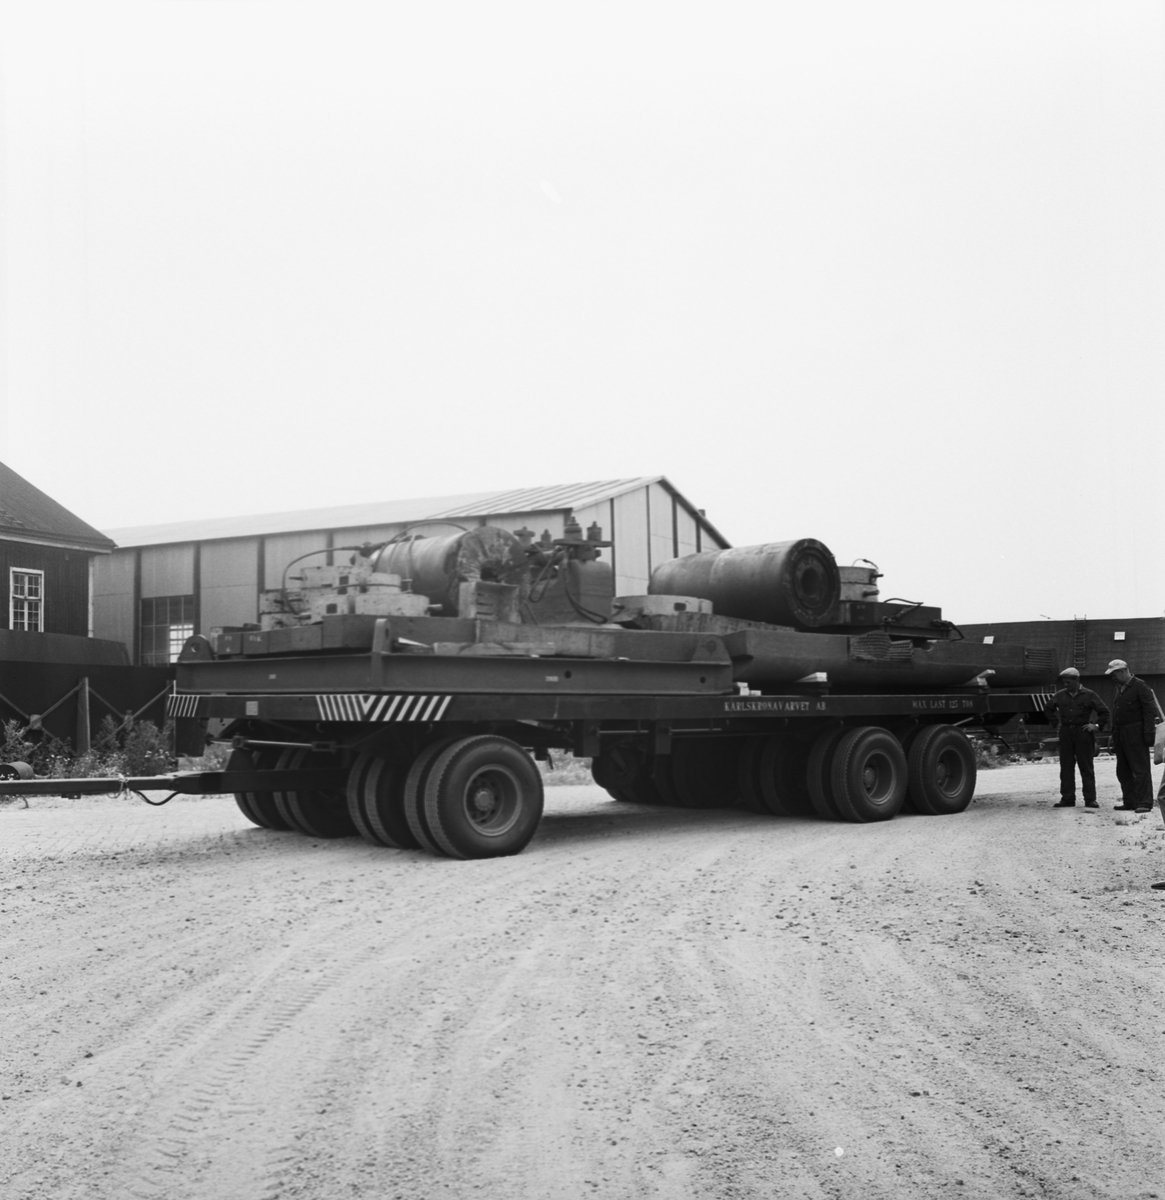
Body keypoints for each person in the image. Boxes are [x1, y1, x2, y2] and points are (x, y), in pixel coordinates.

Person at [1045, 668, 1109, 808]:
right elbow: (1048, 708)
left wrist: (1096, 725)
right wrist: (1056, 723)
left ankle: (1090, 799)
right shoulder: (1060, 695)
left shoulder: (1089, 695)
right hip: (1066, 733)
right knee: (1066, 767)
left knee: (1086, 767)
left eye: (1068, 682)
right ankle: (1067, 799)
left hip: (1083, 733)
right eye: (1064, 682)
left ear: (1076, 680)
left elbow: (1104, 712)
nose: (1066, 685)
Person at [1105, 659, 1160, 812]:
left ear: (1123, 671)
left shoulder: (1140, 686)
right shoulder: (1119, 688)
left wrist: (1148, 734)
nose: (1112, 677)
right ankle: (1130, 801)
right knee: (1123, 770)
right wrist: (1113, 734)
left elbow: (1150, 712)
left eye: (1114, 674)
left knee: (1140, 769)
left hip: (1136, 733)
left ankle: (1145, 803)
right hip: (1120, 733)